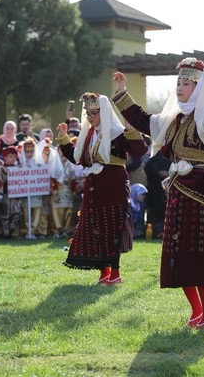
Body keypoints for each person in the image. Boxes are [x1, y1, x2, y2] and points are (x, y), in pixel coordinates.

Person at [112, 57, 204, 329]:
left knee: (197, 252)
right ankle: (197, 311)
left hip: (197, 189)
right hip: (177, 189)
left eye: (187, 83)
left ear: (199, 87)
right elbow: (143, 120)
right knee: (178, 250)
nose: (180, 87)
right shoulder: (172, 118)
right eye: (178, 82)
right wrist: (121, 93)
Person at [56, 92, 147, 284]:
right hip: (93, 188)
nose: (89, 117)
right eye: (88, 113)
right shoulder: (88, 135)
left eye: (94, 113)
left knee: (113, 227)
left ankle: (115, 274)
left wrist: (131, 129)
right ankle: (103, 271)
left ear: (104, 113)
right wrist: (64, 139)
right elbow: (78, 158)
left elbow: (139, 151)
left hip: (113, 186)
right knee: (96, 227)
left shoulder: (117, 132)